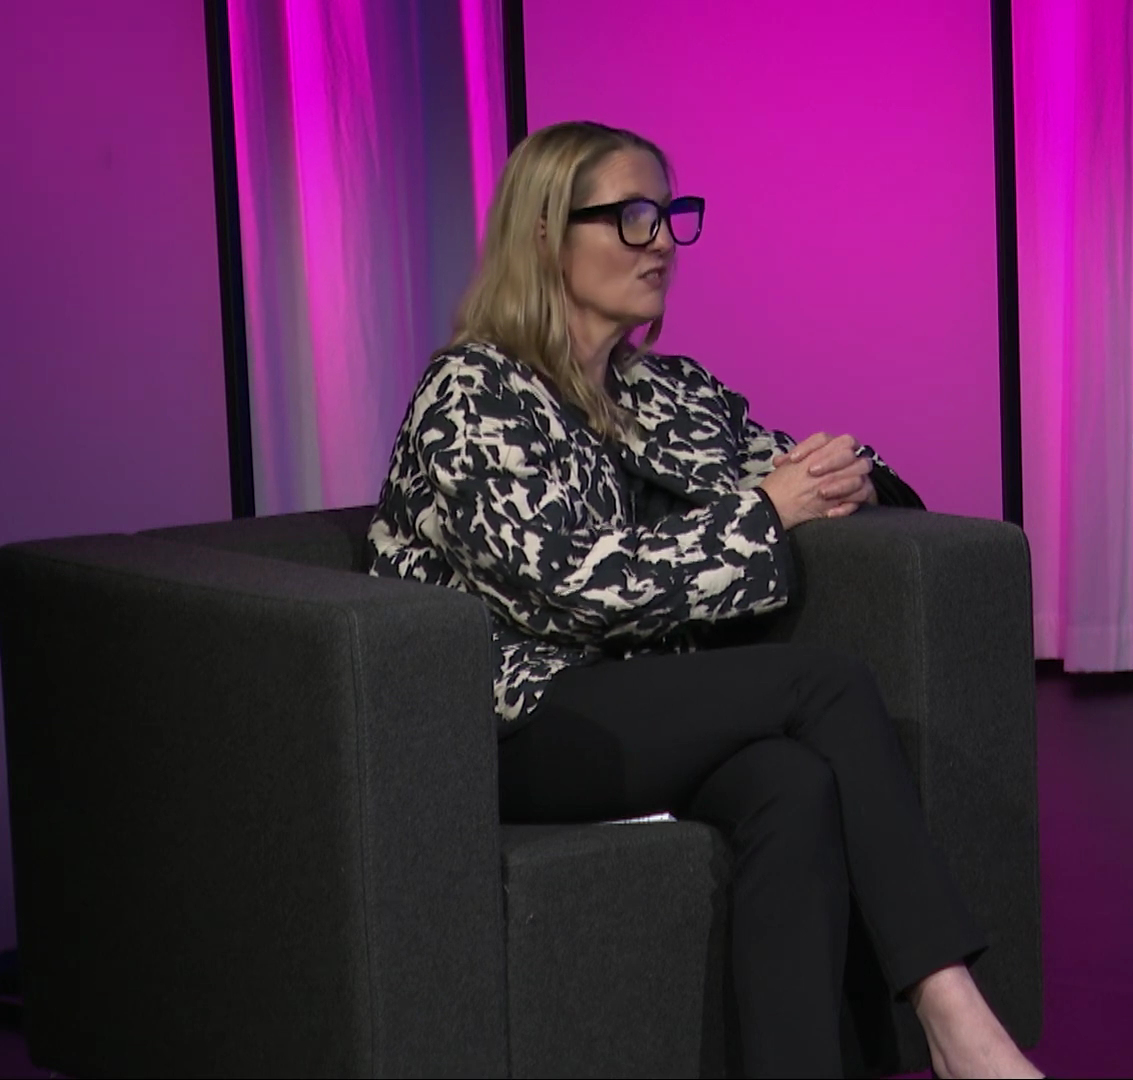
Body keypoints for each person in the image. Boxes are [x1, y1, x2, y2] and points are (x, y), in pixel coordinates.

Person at [368, 120, 1039, 1079]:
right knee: (826, 687)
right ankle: (953, 1014)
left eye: (672, 217)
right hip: (509, 717)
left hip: (641, 703)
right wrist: (768, 511)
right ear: (547, 234)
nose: (663, 244)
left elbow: (806, 466)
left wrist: (852, 478)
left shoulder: (666, 390)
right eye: (633, 218)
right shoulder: (471, 391)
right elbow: (570, 586)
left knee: (793, 786)